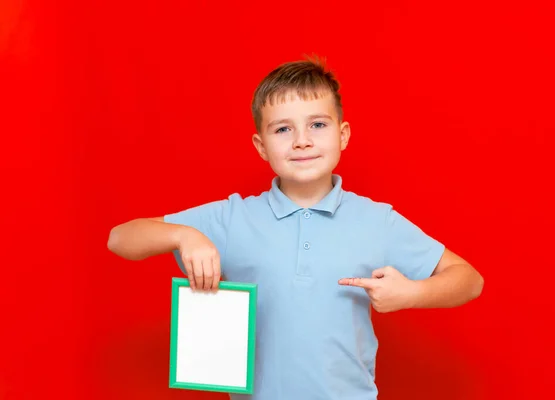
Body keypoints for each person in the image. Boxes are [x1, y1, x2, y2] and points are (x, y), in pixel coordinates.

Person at [107, 55, 484, 400]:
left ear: (343, 135)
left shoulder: (377, 221)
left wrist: (412, 293)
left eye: (317, 124)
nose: (302, 141)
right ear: (260, 146)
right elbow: (120, 238)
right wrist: (183, 234)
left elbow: (469, 279)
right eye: (283, 129)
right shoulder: (233, 218)